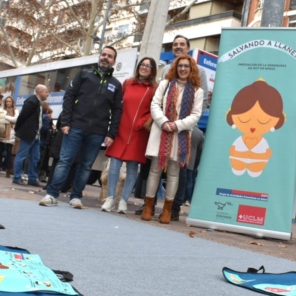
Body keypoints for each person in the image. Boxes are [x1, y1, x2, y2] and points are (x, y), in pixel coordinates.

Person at [40, 46, 123, 208]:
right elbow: (69, 97)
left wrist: (111, 133)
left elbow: (118, 110)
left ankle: (76, 197)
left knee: (85, 166)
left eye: (109, 56)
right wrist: (65, 122)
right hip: (75, 127)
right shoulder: (84, 75)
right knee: (65, 161)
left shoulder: (116, 84)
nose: (105, 58)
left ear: (114, 61)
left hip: (98, 132)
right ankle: (52, 194)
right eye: (103, 54)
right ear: (99, 57)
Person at [140, 54, 203, 223]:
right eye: (180, 66)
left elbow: (196, 114)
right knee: (155, 170)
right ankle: (148, 206)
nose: (183, 69)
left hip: (180, 134)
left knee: (174, 173)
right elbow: (154, 104)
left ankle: (167, 211)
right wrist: (164, 122)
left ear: (191, 70)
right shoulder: (165, 84)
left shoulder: (198, 91)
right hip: (161, 131)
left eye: (186, 66)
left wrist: (177, 125)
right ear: (176, 68)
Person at [101, 57, 157, 214]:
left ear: (152, 70)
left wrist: (142, 122)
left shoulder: (154, 88)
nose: (144, 67)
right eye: (143, 65)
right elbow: (118, 105)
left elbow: (155, 109)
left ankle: (124, 201)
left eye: (148, 66)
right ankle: (110, 198)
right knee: (114, 166)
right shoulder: (127, 83)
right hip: (121, 129)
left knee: (133, 168)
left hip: (139, 133)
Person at [227, 80, 285, 177]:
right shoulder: (239, 140)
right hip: (238, 160)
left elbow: (267, 154)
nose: (253, 127)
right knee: (237, 169)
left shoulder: (263, 142)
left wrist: (258, 156)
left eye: (263, 121)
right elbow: (233, 150)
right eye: (244, 120)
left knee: (255, 171)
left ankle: (255, 169)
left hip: (258, 162)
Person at [12, 85, 49, 187]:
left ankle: (32, 179)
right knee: (22, 156)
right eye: (46, 92)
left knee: (35, 157)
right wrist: (18, 129)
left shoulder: (38, 103)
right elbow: (22, 116)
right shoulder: (32, 101)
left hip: (36, 135)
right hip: (29, 134)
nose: (48, 94)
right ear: (40, 92)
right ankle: (17, 177)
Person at [162, 35, 209, 113]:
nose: (178, 46)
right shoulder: (166, 69)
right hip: (165, 120)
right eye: (175, 44)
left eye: (182, 44)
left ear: (188, 48)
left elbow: (204, 100)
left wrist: (189, 120)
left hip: (188, 122)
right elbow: (161, 95)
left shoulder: (199, 70)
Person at [171, 125, 204, 220]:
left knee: (176, 181)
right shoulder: (199, 133)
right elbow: (200, 149)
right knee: (188, 180)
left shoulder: (182, 128)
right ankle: (187, 199)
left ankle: (175, 203)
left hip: (179, 158)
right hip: (191, 161)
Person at [0, 96, 18, 178]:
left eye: (9, 101)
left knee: (8, 152)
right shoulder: (2, 110)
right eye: (6, 101)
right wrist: (10, 119)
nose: (8, 103)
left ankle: (8, 169)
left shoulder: (15, 110)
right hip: (2, 132)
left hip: (11, 133)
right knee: (0, 151)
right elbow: (2, 120)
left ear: (12, 102)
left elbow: (15, 120)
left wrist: (5, 117)